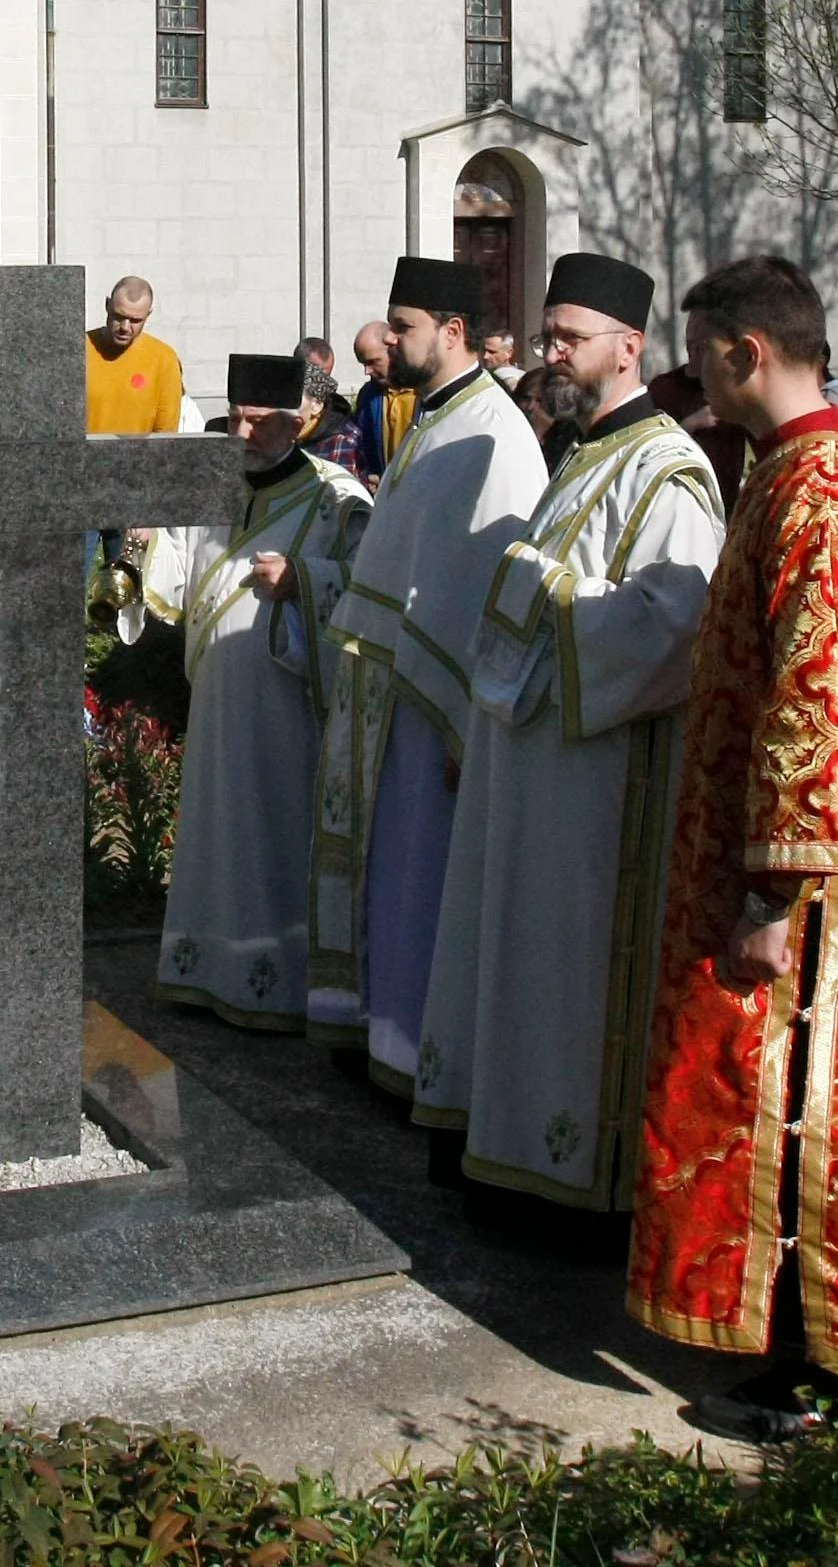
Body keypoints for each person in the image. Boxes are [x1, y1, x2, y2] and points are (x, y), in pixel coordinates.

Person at [630, 254, 838, 1407]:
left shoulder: (826, 494)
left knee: (801, 1090)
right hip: (779, 867)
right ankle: (776, 1333)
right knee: (761, 1087)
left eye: (707, 352)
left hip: (813, 888)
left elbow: (824, 703)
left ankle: (821, 1365)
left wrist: (776, 895)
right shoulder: (788, 473)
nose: (696, 373)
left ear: (747, 353)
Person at [417, 254, 721, 1217]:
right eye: (546, 334)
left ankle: (566, 1183)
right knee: (511, 957)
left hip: (597, 786)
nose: (550, 353)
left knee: (567, 977)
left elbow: (675, 622)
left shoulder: (669, 468)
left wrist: (546, 595)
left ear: (629, 348)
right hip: (532, 760)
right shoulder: (582, 451)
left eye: (569, 338)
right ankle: (499, 1147)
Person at [315, 256, 550, 1086]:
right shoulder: (432, 416)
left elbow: (498, 577)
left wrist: (468, 708)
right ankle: (385, 1036)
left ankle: (420, 1055)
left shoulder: (497, 433)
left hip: (436, 699)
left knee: (422, 879)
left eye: (403, 324)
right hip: (395, 688)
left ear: (453, 333)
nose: (387, 338)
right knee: (393, 876)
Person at [139, 351, 368, 1033]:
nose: (241, 435)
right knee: (217, 833)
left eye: (258, 423)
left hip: (285, 707)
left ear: (297, 422)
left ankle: (281, 986)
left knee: (272, 836)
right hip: (214, 701)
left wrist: (304, 578)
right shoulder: (213, 486)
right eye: (235, 419)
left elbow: (365, 590)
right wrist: (148, 544)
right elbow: (177, 583)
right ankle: (207, 969)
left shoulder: (338, 497)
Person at [85, 276, 186, 434]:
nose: (125, 327)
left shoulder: (163, 359)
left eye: (135, 320)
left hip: (140, 457)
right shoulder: (79, 349)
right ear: (107, 306)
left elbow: (165, 434)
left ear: (148, 314)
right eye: (119, 317)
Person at [345, 320, 413, 483]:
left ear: (394, 351)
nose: (367, 371)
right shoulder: (369, 396)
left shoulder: (425, 394)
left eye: (373, 361)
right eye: (363, 363)